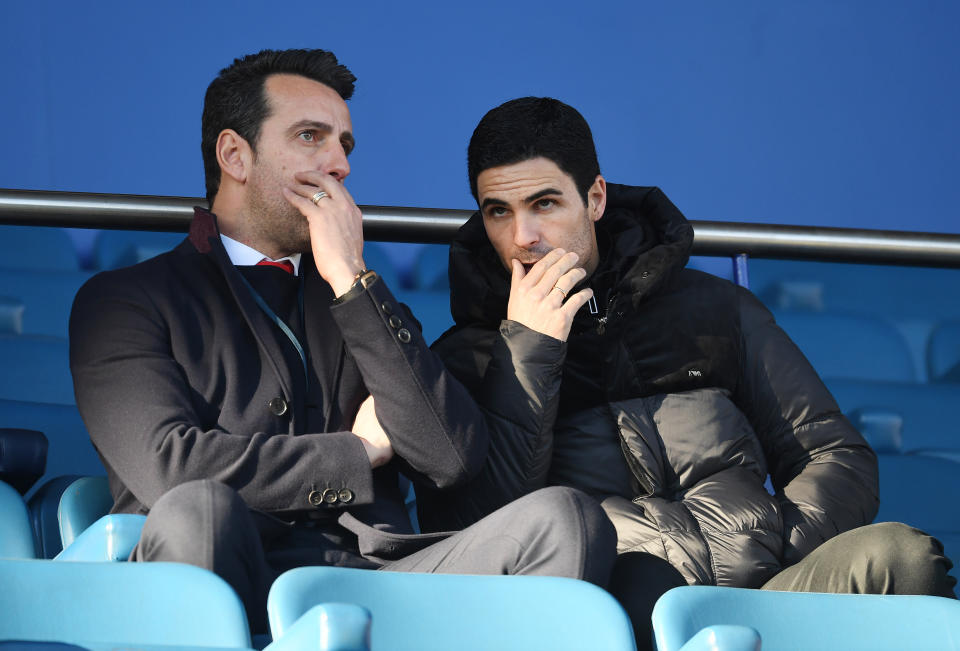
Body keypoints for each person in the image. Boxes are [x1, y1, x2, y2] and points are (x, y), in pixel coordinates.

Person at [68, 53, 616, 632]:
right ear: (235, 156)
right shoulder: (124, 300)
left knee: (565, 519)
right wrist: (359, 454)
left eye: (345, 146)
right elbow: (171, 471)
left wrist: (353, 279)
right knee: (197, 508)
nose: (339, 164)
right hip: (231, 576)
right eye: (311, 137)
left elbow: (451, 458)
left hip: (379, 582)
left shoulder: (357, 295)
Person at [417, 96, 956, 645]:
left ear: (595, 198)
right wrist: (530, 349)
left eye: (545, 203)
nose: (523, 236)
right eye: (498, 211)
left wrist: (773, 540)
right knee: (635, 584)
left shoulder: (713, 309)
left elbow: (835, 454)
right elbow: (476, 534)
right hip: (617, 620)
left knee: (904, 558)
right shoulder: (469, 359)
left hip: (765, 590)